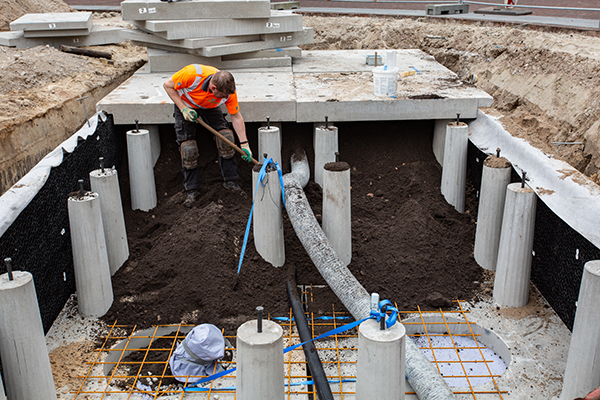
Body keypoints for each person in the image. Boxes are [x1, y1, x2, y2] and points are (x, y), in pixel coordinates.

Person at [163, 64, 253, 208]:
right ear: (213, 88)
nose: (226, 98)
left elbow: (235, 116)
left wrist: (244, 144)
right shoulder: (191, 75)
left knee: (226, 139)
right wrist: (183, 108)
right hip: (187, 104)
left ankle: (230, 183)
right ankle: (191, 190)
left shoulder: (228, 91)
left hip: (210, 106)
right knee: (188, 149)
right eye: (223, 96)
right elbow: (168, 85)